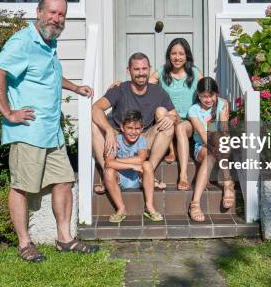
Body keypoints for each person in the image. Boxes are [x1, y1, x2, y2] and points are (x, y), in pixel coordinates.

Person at [0, 0, 99, 262]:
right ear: (39, 12)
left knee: (64, 181)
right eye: (52, 12)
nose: (57, 19)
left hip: (52, 131)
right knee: (22, 186)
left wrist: (76, 87)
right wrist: (8, 113)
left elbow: (49, 75)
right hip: (29, 131)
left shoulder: (48, 42)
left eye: (62, 15)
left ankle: (64, 239)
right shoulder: (23, 42)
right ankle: (25, 243)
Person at [91, 52, 179, 197]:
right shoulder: (119, 89)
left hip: (143, 138)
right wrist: (107, 130)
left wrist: (171, 116)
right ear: (129, 70)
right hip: (117, 138)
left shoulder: (158, 91)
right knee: (94, 124)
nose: (141, 73)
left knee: (168, 123)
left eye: (144, 69)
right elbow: (95, 108)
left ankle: (146, 173)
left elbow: (175, 114)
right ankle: (109, 176)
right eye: (136, 69)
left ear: (149, 69)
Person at [149, 38, 203, 190]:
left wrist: (221, 101)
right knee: (160, 111)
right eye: (173, 53)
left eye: (181, 53)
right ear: (169, 55)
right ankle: (171, 148)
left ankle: (183, 175)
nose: (177, 57)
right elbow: (142, 86)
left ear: (187, 56)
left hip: (187, 122)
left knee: (180, 128)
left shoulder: (194, 72)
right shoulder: (161, 72)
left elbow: (208, 89)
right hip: (168, 117)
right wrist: (122, 85)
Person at [187, 77, 235, 222]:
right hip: (202, 147)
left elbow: (225, 131)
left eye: (211, 96)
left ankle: (194, 203)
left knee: (214, 148)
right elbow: (202, 135)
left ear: (217, 93)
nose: (208, 100)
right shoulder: (193, 110)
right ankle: (228, 183)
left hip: (220, 146)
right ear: (198, 95)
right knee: (210, 145)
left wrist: (225, 116)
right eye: (204, 96)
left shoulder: (222, 105)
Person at [103, 109, 163, 222]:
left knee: (147, 164)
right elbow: (109, 162)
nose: (133, 132)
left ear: (141, 129)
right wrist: (132, 165)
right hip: (120, 179)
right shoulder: (116, 140)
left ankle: (149, 206)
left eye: (137, 128)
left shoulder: (141, 140)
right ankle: (121, 208)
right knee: (109, 171)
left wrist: (119, 161)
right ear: (122, 127)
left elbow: (141, 158)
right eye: (130, 128)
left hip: (138, 179)